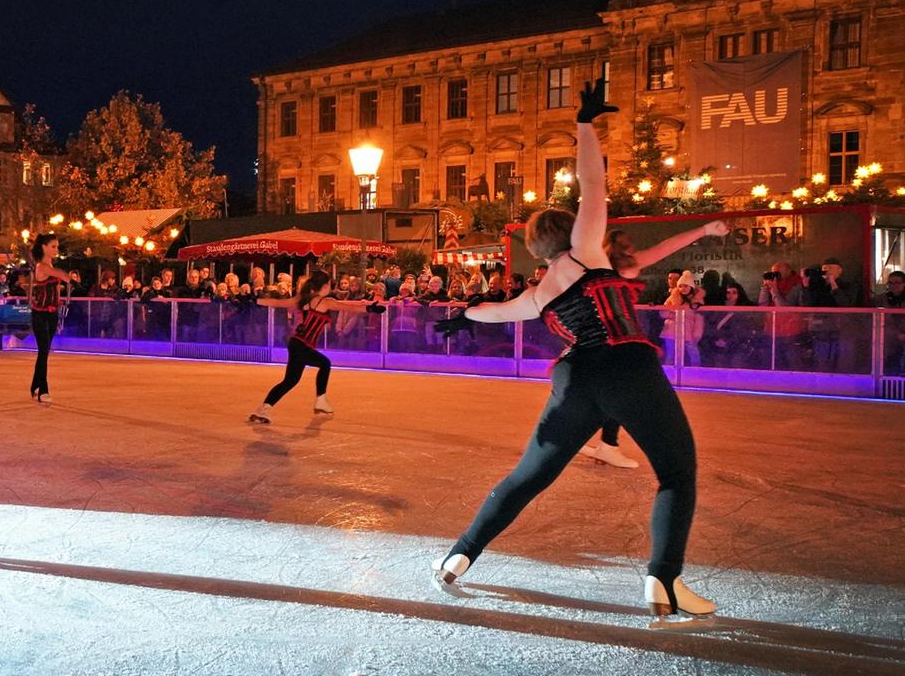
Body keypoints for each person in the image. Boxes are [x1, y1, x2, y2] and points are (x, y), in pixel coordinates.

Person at [431, 81, 712, 618]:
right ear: (571, 232)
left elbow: (493, 312)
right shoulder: (585, 253)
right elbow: (593, 184)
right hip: (626, 367)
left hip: (575, 380)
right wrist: (585, 124)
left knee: (526, 478)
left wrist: (460, 316)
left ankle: (459, 556)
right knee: (676, 474)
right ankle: (664, 583)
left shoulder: (539, 293)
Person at [578, 221, 729, 468]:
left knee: (617, 394)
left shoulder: (592, 269)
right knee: (627, 394)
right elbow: (665, 247)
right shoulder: (623, 268)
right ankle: (597, 442)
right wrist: (703, 230)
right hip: (618, 341)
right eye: (627, 248)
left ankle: (606, 443)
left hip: (601, 339)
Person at [247, 270, 384, 422]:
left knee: (290, 381)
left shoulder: (303, 299)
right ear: (325, 286)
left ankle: (263, 410)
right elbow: (347, 307)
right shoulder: (324, 302)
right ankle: (321, 401)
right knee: (325, 364)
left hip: (296, 343)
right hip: (302, 344)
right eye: (330, 285)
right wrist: (370, 308)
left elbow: (279, 303)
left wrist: (256, 301)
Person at [25, 234, 70, 404]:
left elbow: (60, 284)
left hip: (52, 313)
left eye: (57, 246)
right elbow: (62, 276)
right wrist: (68, 277)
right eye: (53, 246)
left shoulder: (50, 265)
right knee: (43, 351)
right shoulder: (42, 266)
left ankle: (35, 384)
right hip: (40, 314)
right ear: (44, 247)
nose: (56, 250)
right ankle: (43, 389)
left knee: (44, 352)